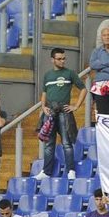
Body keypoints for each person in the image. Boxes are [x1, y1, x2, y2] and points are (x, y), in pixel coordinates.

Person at [37, 48, 85, 181]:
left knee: (66, 143)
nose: (62, 61)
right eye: (59, 59)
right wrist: (43, 107)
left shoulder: (70, 73)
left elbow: (83, 89)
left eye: (64, 58)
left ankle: (71, 171)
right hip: (50, 112)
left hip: (64, 111)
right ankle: (46, 172)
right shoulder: (47, 75)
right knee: (48, 143)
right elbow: (44, 93)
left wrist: (76, 106)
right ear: (52, 60)